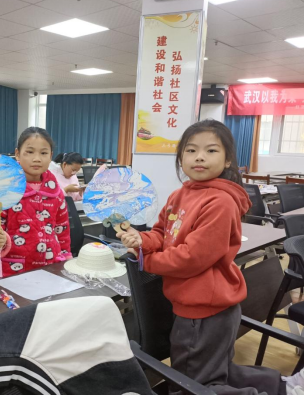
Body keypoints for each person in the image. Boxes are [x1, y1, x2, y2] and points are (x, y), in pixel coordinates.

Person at [119, 119, 300, 395]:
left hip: (204, 310)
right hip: (200, 304)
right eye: (191, 150)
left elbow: (192, 258)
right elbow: (161, 233)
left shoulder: (220, 201)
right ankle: (283, 387)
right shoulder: (180, 195)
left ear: (227, 160)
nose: (199, 157)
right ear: (181, 157)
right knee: (215, 372)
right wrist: (141, 240)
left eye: (211, 150)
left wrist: (148, 262)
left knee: (193, 384)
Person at [0, 127, 72, 280]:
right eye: (30, 152)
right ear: (17, 154)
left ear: (51, 156)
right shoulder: (3, 189)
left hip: (50, 268)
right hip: (11, 271)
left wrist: (65, 258)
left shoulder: (56, 192)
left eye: (43, 153)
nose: (37, 159)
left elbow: (62, 231)